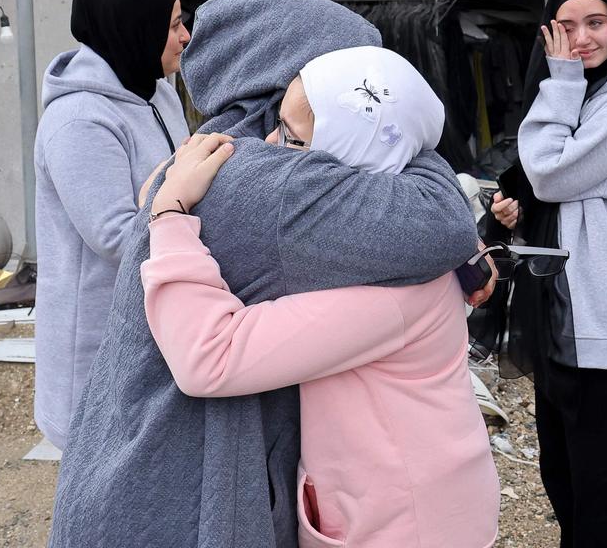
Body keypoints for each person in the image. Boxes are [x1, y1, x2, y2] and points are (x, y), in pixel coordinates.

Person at [49, 0, 485, 548]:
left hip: (129, 452)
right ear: (290, 75)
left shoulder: (226, 144)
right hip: (173, 480)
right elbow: (444, 224)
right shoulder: (269, 179)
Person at [143, 46, 500, 547]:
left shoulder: (388, 288)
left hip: (405, 523)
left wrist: (171, 216)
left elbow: (211, 357)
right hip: (415, 492)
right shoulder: (392, 234)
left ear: (349, 149)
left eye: (290, 136)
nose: (267, 143)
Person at [482, 0, 607, 547]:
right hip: (560, 313)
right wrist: (511, 211)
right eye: (566, 28)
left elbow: (555, 171)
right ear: (548, 33)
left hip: (604, 314)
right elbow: (534, 180)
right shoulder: (578, 94)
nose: (582, 39)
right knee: (563, 480)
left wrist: (560, 78)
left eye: (595, 23)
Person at [32, 0, 191, 450]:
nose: (186, 36)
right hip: (99, 330)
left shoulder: (154, 88)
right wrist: (193, 209)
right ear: (134, 30)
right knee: (100, 466)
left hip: (150, 315)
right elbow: (117, 237)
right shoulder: (80, 120)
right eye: (174, 26)